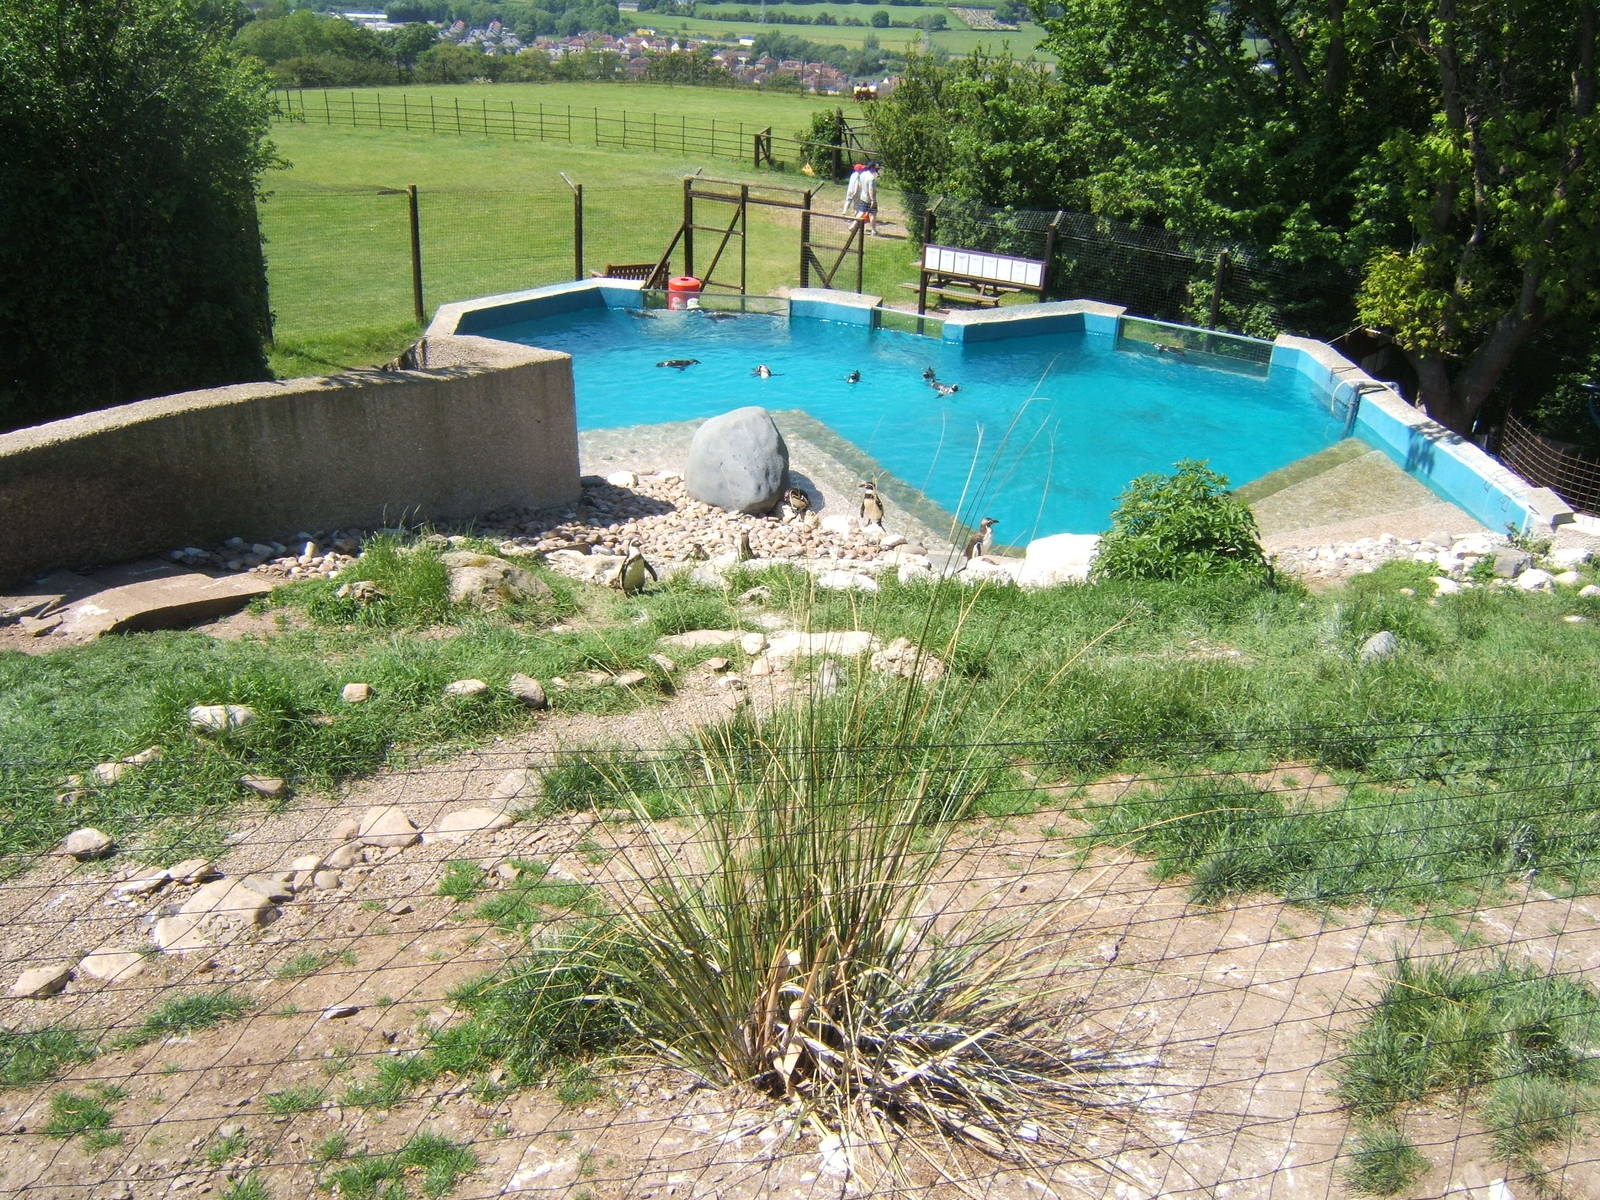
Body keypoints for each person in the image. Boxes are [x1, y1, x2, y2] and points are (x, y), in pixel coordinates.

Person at [857, 161, 880, 235]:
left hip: (863, 196)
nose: (876, 169)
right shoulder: (871, 178)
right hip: (869, 199)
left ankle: (853, 225)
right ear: (872, 168)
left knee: (861, 212)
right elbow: (871, 189)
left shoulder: (863, 174)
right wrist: (873, 200)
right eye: (875, 168)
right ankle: (873, 230)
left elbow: (860, 184)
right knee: (873, 214)